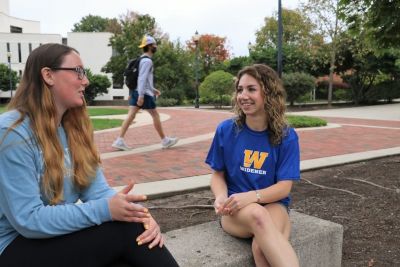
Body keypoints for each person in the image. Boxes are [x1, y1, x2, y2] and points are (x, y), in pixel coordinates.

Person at [0, 43, 179, 267]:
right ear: (48, 75)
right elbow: (28, 219)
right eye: (78, 72)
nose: (86, 80)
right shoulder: (12, 131)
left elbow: (97, 190)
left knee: (129, 246)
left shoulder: (73, 127)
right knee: (125, 230)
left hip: (53, 236)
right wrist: (109, 211)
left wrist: (139, 215)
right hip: (13, 246)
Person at [206, 64, 300, 267]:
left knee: (261, 248)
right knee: (257, 214)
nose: (243, 95)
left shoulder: (286, 136)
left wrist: (253, 196)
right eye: (240, 89)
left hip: (274, 205)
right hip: (236, 212)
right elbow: (217, 175)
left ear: (268, 92)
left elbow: (284, 187)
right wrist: (221, 196)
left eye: (251, 89)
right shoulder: (226, 130)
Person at [112, 35, 178, 151]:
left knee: (131, 116)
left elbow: (143, 79)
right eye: (154, 44)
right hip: (143, 93)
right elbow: (142, 79)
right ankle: (165, 140)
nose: (156, 46)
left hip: (136, 91)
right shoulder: (147, 61)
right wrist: (142, 96)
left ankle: (119, 140)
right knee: (155, 115)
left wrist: (153, 89)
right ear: (150, 46)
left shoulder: (140, 59)